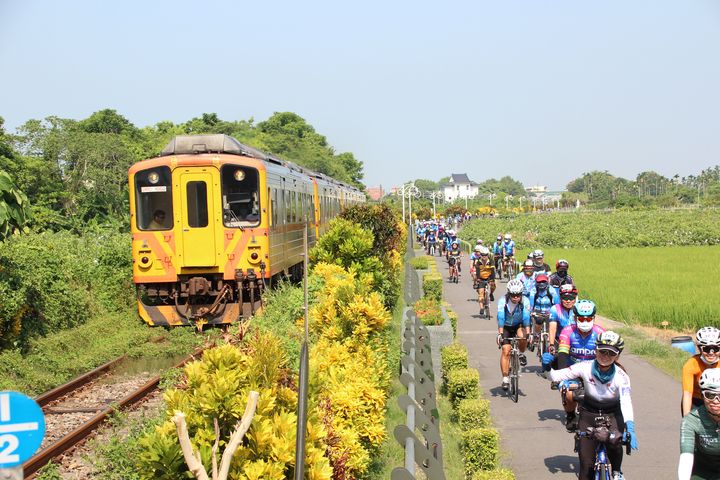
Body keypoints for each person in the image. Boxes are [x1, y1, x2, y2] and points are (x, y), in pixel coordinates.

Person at [550, 331, 637, 480]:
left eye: (611, 353)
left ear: (617, 356)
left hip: (613, 416)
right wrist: (548, 365)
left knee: (615, 442)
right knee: (586, 467)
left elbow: (626, 401)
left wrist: (630, 427)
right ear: (595, 350)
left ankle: (617, 472)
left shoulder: (621, 376)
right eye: (602, 351)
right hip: (588, 415)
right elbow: (556, 376)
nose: (605, 356)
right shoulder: (584, 367)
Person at [553, 300, 606, 432]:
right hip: (572, 371)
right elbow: (563, 355)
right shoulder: (567, 331)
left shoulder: (600, 332)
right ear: (575, 317)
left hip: (594, 371)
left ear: (593, 318)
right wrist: (561, 378)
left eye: (588, 318)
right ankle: (571, 416)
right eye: (581, 318)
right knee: (569, 394)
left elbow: (607, 358)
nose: (585, 321)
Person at [678, 368, 720, 480]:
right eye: (710, 395)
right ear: (702, 396)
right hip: (702, 470)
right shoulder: (691, 420)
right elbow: (686, 457)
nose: (716, 400)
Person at [497, 279, 531, 389]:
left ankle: (521, 353)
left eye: (518, 295)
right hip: (506, 326)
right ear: (509, 293)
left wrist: (529, 334)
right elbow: (500, 317)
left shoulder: (525, 301)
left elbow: (526, 318)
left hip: (519, 324)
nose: (515, 297)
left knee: (522, 336)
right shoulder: (503, 301)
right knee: (505, 350)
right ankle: (505, 378)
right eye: (513, 295)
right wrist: (500, 334)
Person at [681, 327, 720, 416]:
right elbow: (687, 394)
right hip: (696, 401)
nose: (711, 353)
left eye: (716, 349)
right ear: (699, 348)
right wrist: (687, 421)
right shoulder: (691, 365)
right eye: (706, 349)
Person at [528, 273, 559, 350]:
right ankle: (537, 335)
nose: (541, 284)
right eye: (539, 282)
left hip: (549, 311)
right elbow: (531, 303)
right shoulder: (533, 290)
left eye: (543, 282)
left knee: (551, 326)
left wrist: (557, 311)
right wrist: (531, 311)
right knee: (538, 322)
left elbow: (556, 302)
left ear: (547, 282)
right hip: (537, 311)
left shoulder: (551, 290)